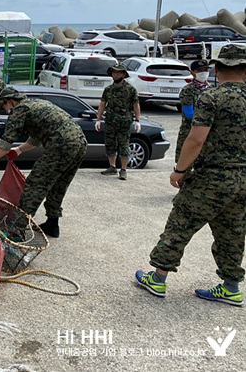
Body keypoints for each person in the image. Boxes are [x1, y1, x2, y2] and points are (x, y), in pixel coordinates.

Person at [135, 44, 246, 306]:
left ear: (217, 69)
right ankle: (231, 287)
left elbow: (196, 139)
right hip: (242, 179)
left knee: (181, 223)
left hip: (212, 178)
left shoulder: (212, 97)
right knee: (233, 231)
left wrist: (180, 170)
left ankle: (158, 278)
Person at [0, 87, 87, 238]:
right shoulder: (35, 104)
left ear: (10, 102)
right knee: (59, 183)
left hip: (61, 144)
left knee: (35, 185)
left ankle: (17, 229)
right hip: (80, 142)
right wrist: (19, 150)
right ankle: (52, 223)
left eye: (4, 107)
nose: (5, 111)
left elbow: (5, 143)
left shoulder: (19, 111)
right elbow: (36, 139)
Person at [95, 64, 140, 180]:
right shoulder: (108, 90)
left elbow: (136, 105)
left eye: (118, 73)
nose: (115, 75)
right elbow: (102, 104)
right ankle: (112, 166)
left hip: (124, 122)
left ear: (123, 74)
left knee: (124, 145)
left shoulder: (130, 90)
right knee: (110, 144)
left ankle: (123, 170)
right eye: (114, 73)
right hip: (110, 121)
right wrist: (98, 119)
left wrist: (137, 120)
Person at [175, 59, 211, 163]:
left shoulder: (212, 89)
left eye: (205, 70)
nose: (203, 73)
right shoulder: (187, 90)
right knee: (185, 166)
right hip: (189, 133)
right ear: (192, 73)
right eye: (200, 71)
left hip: (208, 135)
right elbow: (189, 114)